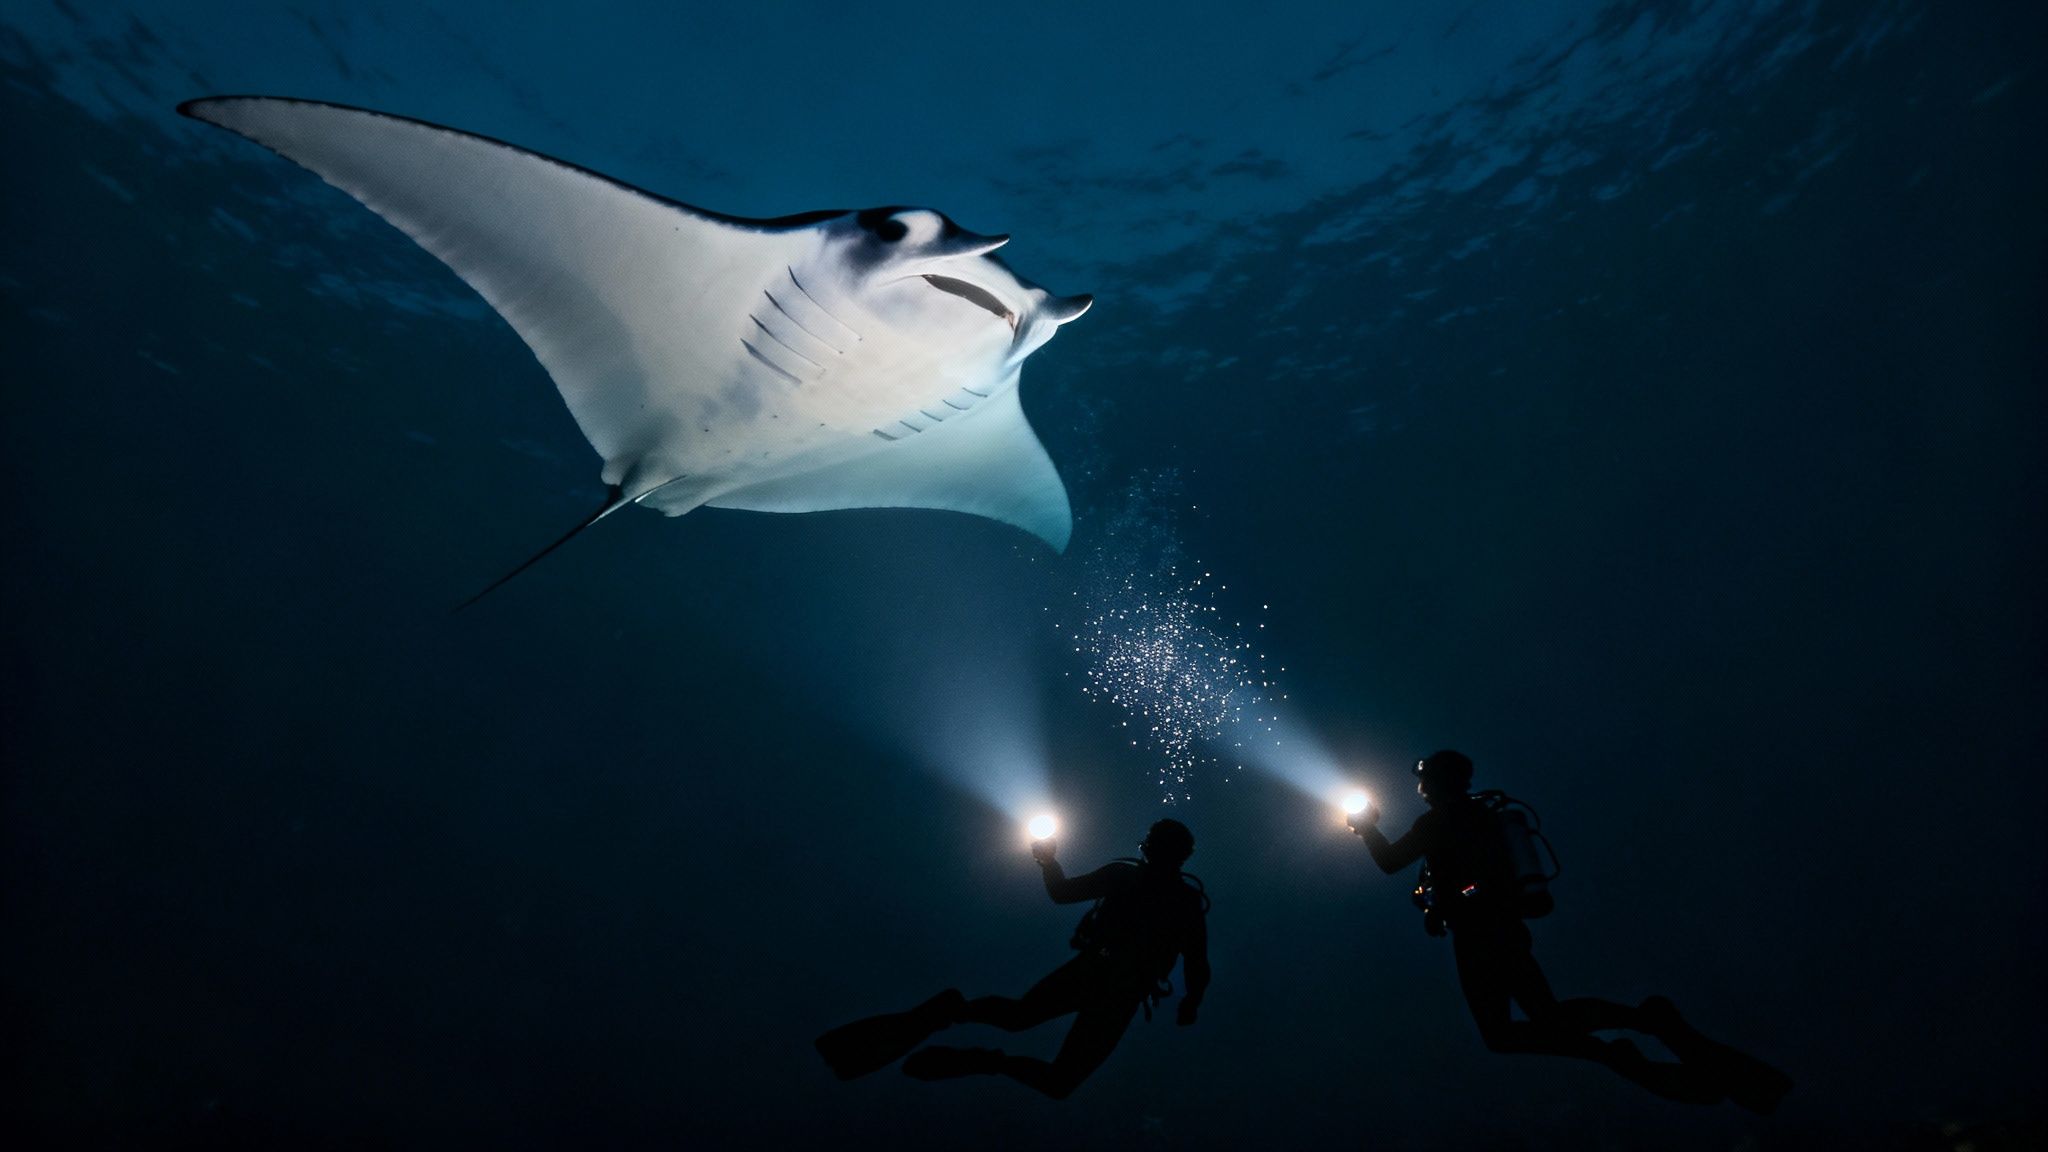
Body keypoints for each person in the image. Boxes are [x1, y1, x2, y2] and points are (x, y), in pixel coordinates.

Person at [1352, 749, 1791, 1113]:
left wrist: (1367, 827)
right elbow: (1464, 877)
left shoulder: (1438, 822)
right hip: (1504, 928)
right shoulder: (1479, 816)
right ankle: (1640, 1025)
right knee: (1548, 1015)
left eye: (1424, 776)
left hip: (1481, 938)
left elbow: (1391, 862)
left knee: (1504, 1034)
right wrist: (1440, 908)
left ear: (1440, 780)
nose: (1419, 784)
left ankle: (1620, 1044)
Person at [815, 818, 1210, 1099]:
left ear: (1148, 847)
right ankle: (980, 1047)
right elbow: (1196, 961)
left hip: (1096, 974)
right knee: (1053, 1074)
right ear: (1184, 856)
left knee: (1020, 1021)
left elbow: (1061, 894)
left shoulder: (1125, 877)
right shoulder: (1180, 899)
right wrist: (1191, 1002)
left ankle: (959, 1015)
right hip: (1117, 991)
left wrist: (1048, 860)